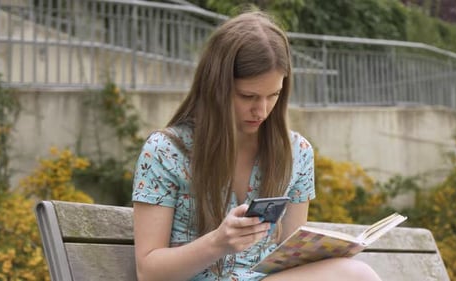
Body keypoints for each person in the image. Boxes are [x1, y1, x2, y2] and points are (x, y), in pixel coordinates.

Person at [132, 10, 382, 281]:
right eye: (247, 96)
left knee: (359, 275)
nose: (261, 110)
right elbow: (148, 271)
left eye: (273, 95)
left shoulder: (296, 152)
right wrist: (217, 243)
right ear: (216, 87)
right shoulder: (166, 151)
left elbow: (291, 257)